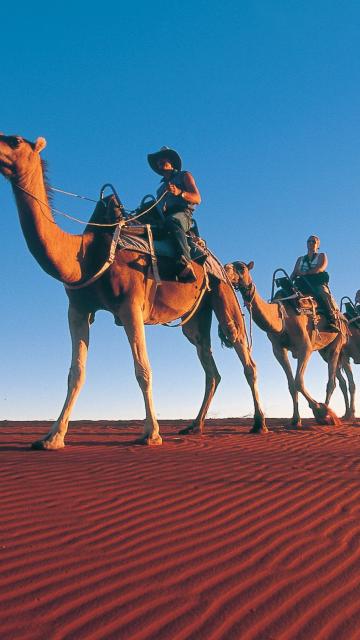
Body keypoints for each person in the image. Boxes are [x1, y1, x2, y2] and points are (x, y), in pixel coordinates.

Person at [147, 146, 201, 282]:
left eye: (163, 157)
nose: (160, 160)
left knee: (173, 221)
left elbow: (197, 198)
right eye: (158, 159)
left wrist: (180, 192)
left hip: (183, 215)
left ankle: (185, 263)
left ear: (171, 161)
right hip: (164, 219)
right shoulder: (159, 189)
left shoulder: (184, 175)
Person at [290, 235, 340, 331]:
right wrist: (289, 281)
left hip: (316, 282)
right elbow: (295, 272)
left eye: (314, 241)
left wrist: (305, 273)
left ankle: (332, 319)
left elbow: (320, 268)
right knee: (286, 293)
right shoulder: (300, 259)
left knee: (323, 293)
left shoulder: (321, 256)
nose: (311, 243)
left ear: (318, 245)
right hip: (302, 283)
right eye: (309, 241)